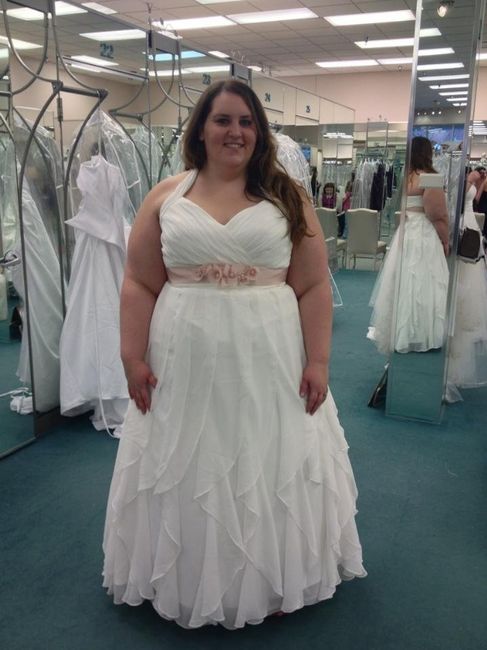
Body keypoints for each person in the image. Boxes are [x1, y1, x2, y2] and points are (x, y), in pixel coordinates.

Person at [102, 79, 366, 630]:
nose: (235, 132)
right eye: (223, 120)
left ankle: (271, 575)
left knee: (265, 455)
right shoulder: (165, 197)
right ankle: (187, 574)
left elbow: (313, 285)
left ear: (259, 133)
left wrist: (318, 361)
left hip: (269, 354)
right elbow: (139, 282)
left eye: (246, 122)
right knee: (187, 458)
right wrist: (131, 356)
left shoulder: (286, 197)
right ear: (201, 128)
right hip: (184, 357)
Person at [367, 136, 449, 354]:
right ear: (428, 153)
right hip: (423, 232)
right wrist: (445, 238)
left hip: (408, 230)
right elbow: (435, 213)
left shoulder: (408, 176)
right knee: (424, 281)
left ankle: (405, 331)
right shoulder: (430, 177)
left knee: (406, 281)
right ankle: (420, 333)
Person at [445, 168, 487, 401]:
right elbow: (456, 202)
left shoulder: (469, 179)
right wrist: (469, 181)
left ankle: (459, 356)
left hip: (471, 228)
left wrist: (478, 184)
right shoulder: (458, 176)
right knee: (461, 277)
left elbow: (475, 200)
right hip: (461, 226)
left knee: (470, 279)